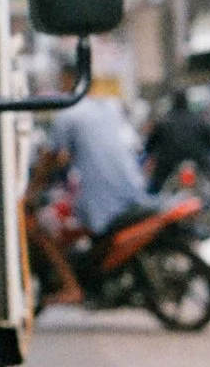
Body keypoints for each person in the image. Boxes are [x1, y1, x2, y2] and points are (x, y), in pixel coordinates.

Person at [34, 88, 155, 304]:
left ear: (68, 79)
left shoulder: (68, 113)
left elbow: (51, 157)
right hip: (135, 190)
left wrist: (32, 189)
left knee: (44, 227)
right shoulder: (109, 107)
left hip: (101, 198)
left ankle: (71, 287)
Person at [142, 85, 210, 186]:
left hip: (168, 167)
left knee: (154, 190)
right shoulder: (199, 121)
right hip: (198, 164)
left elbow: (150, 145)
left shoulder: (164, 122)